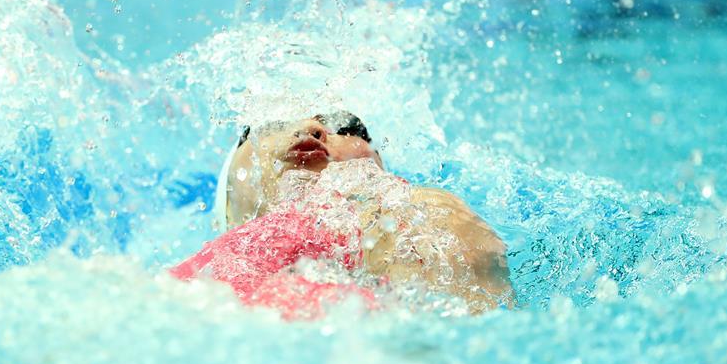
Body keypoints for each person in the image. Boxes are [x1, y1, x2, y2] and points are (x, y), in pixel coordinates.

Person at [172, 112, 514, 318]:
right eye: (271, 124)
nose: (310, 127)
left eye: (346, 127)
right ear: (227, 209)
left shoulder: (423, 214)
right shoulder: (197, 286)